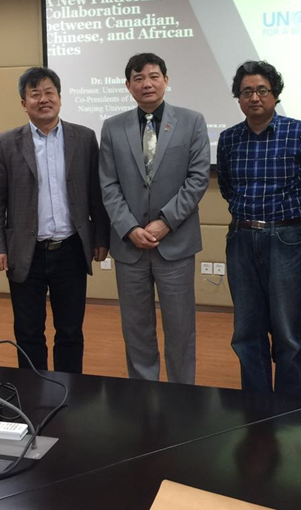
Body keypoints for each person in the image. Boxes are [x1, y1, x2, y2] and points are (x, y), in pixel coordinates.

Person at [0, 67, 109, 374]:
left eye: (49, 92)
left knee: (70, 331)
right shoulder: (6, 142)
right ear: (23, 103)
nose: (43, 100)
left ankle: (70, 390)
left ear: (60, 98)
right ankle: (33, 391)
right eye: (35, 94)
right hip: (25, 251)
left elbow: (96, 194)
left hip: (70, 249)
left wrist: (100, 239)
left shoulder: (84, 138)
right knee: (28, 332)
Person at [99, 52, 210, 384]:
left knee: (180, 327)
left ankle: (181, 393)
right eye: (138, 78)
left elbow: (198, 179)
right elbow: (108, 183)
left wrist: (165, 222)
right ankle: (143, 392)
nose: (146, 83)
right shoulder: (112, 127)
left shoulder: (192, 121)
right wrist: (129, 227)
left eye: (153, 76)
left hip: (175, 243)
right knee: (136, 328)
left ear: (166, 80)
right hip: (130, 247)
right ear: (128, 85)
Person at [216, 60, 301, 398]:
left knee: (288, 330)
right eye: (246, 91)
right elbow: (228, 188)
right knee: (246, 330)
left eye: (262, 90)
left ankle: (288, 405)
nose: (254, 97)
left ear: (275, 94)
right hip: (241, 237)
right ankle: (257, 403)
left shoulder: (300, 132)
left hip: (286, 238)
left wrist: (290, 220)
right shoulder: (228, 139)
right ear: (238, 97)